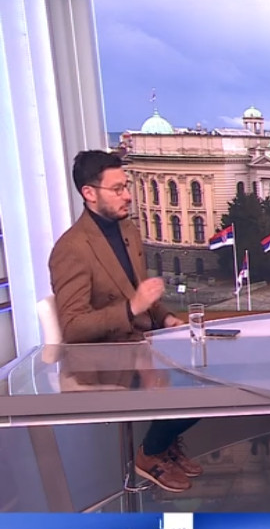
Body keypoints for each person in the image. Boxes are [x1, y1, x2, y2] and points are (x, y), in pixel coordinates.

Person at [49, 150, 201, 493]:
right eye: (117, 189)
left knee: (210, 375)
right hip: (105, 357)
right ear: (90, 193)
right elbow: (72, 327)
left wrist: (166, 318)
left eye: (126, 186)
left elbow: (141, 294)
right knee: (194, 387)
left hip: (143, 345)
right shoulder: (71, 249)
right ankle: (150, 454)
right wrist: (132, 308)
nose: (128, 196)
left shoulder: (128, 230)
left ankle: (163, 443)